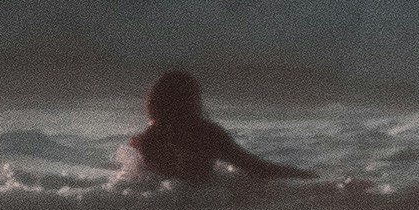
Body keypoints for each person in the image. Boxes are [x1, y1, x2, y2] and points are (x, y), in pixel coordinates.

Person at [123, 68, 312, 188]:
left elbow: (139, 185)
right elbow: (256, 168)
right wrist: (306, 176)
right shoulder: (207, 134)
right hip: (204, 206)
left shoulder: (144, 140)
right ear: (192, 101)